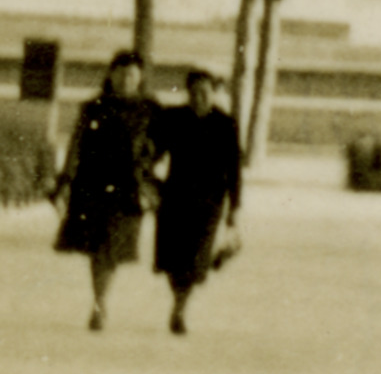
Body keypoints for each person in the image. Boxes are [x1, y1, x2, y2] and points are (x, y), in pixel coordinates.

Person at [52, 52, 158, 334]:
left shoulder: (150, 108)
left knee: (111, 248)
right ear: (111, 75)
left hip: (129, 187)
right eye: (121, 74)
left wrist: (149, 169)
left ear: (140, 78)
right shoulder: (93, 107)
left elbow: (161, 145)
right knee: (100, 248)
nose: (126, 80)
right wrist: (65, 180)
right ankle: (100, 303)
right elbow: (76, 144)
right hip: (93, 184)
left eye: (132, 75)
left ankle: (100, 301)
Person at [152, 65, 245, 334]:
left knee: (193, 259)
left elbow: (234, 171)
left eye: (204, 92)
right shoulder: (174, 118)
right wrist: (151, 181)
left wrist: (234, 209)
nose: (199, 97)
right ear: (187, 92)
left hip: (209, 202)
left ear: (213, 93)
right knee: (171, 260)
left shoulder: (226, 124)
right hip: (174, 197)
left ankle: (180, 310)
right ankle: (179, 299)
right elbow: (154, 153)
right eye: (194, 92)